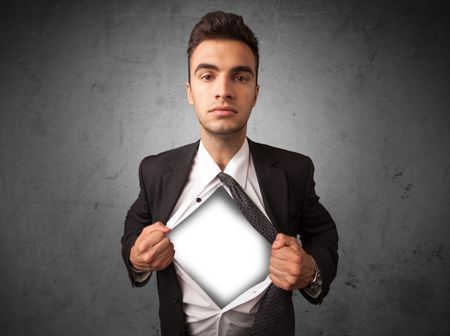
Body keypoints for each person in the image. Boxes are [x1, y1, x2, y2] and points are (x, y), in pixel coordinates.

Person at [121, 11, 338, 336]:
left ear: (255, 92)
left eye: (239, 77)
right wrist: (137, 258)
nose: (223, 91)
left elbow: (322, 234)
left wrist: (311, 270)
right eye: (208, 76)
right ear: (190, 91)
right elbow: (133, 230)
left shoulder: (295, 170)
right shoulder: (155, 170)